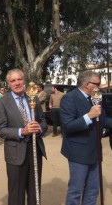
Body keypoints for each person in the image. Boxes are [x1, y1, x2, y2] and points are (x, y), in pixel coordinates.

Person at [0, 69, 47, 205]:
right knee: (16, 195)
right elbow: (1, 130)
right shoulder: (2, 102)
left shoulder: (33, 97)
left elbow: (43, 120)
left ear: (24, 80)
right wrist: (22, 131)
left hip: (35, 150)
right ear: (8, 83)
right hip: (16, 153)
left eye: (19, 79)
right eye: (13, 81)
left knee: (34, 191)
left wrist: (39, 128)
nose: (17, 83)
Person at [60, 70, 112, 205]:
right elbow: (68, 126)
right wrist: (89, 116)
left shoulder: (96, 98)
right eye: (97, 83)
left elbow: (104, 120)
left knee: (93, 190)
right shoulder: (69, 98)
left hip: (95, 151)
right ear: (87, 84)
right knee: (76, 191)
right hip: (78, 153)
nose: (99, 87)